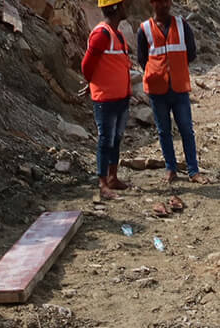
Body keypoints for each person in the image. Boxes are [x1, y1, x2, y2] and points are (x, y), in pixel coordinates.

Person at [138, 0, 209, 184]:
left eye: (167, 1)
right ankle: (171, 169)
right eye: (160, 1)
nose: (165, 5)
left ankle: (193, 171)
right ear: (152, 3)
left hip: (179, 87)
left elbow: (191, 53)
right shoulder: (144, 29)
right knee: (164, 131)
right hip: (157, 89)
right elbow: (142, 59)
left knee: (186, 129)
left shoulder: (181, 24)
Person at [81, 0, 133, 201]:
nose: (126, 8)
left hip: (121, 97)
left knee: (116, 138)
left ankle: (112, 177)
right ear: (116, 7)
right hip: (106, 98)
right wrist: (94, 83)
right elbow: (87, 66)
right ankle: (102, 183)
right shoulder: (101, 34)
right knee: (105, 139)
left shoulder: (117, 35)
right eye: (124, 5)